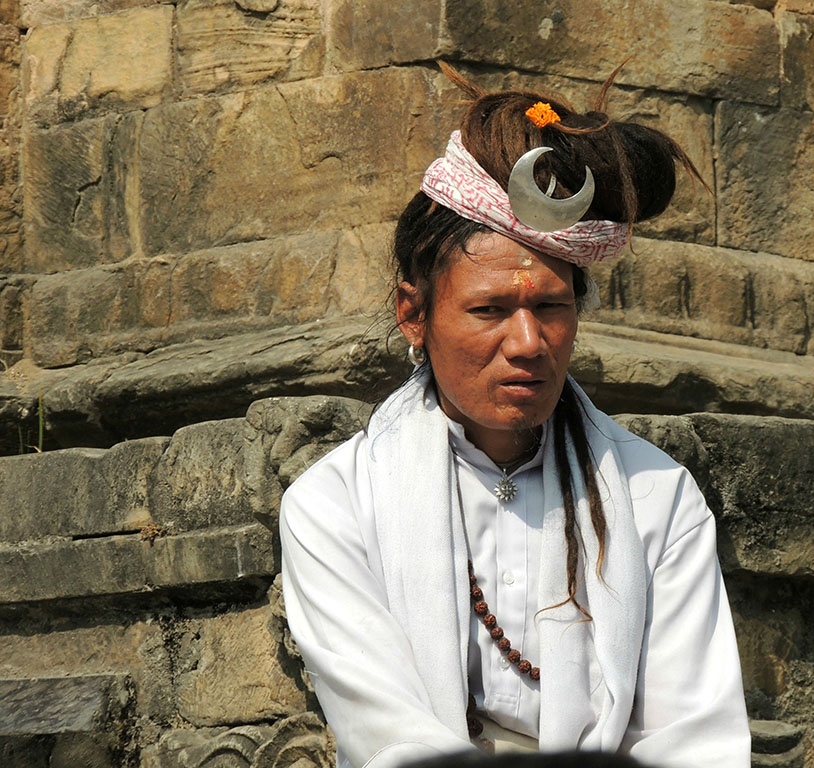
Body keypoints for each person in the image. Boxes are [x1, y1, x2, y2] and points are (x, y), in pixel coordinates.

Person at [279, 63, 751, 768]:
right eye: (491, 310)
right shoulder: (334, 507)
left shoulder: (659, 498)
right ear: (414, 314)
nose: (528, 343)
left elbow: (696, 739)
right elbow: (394, 747)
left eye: (551, 308)